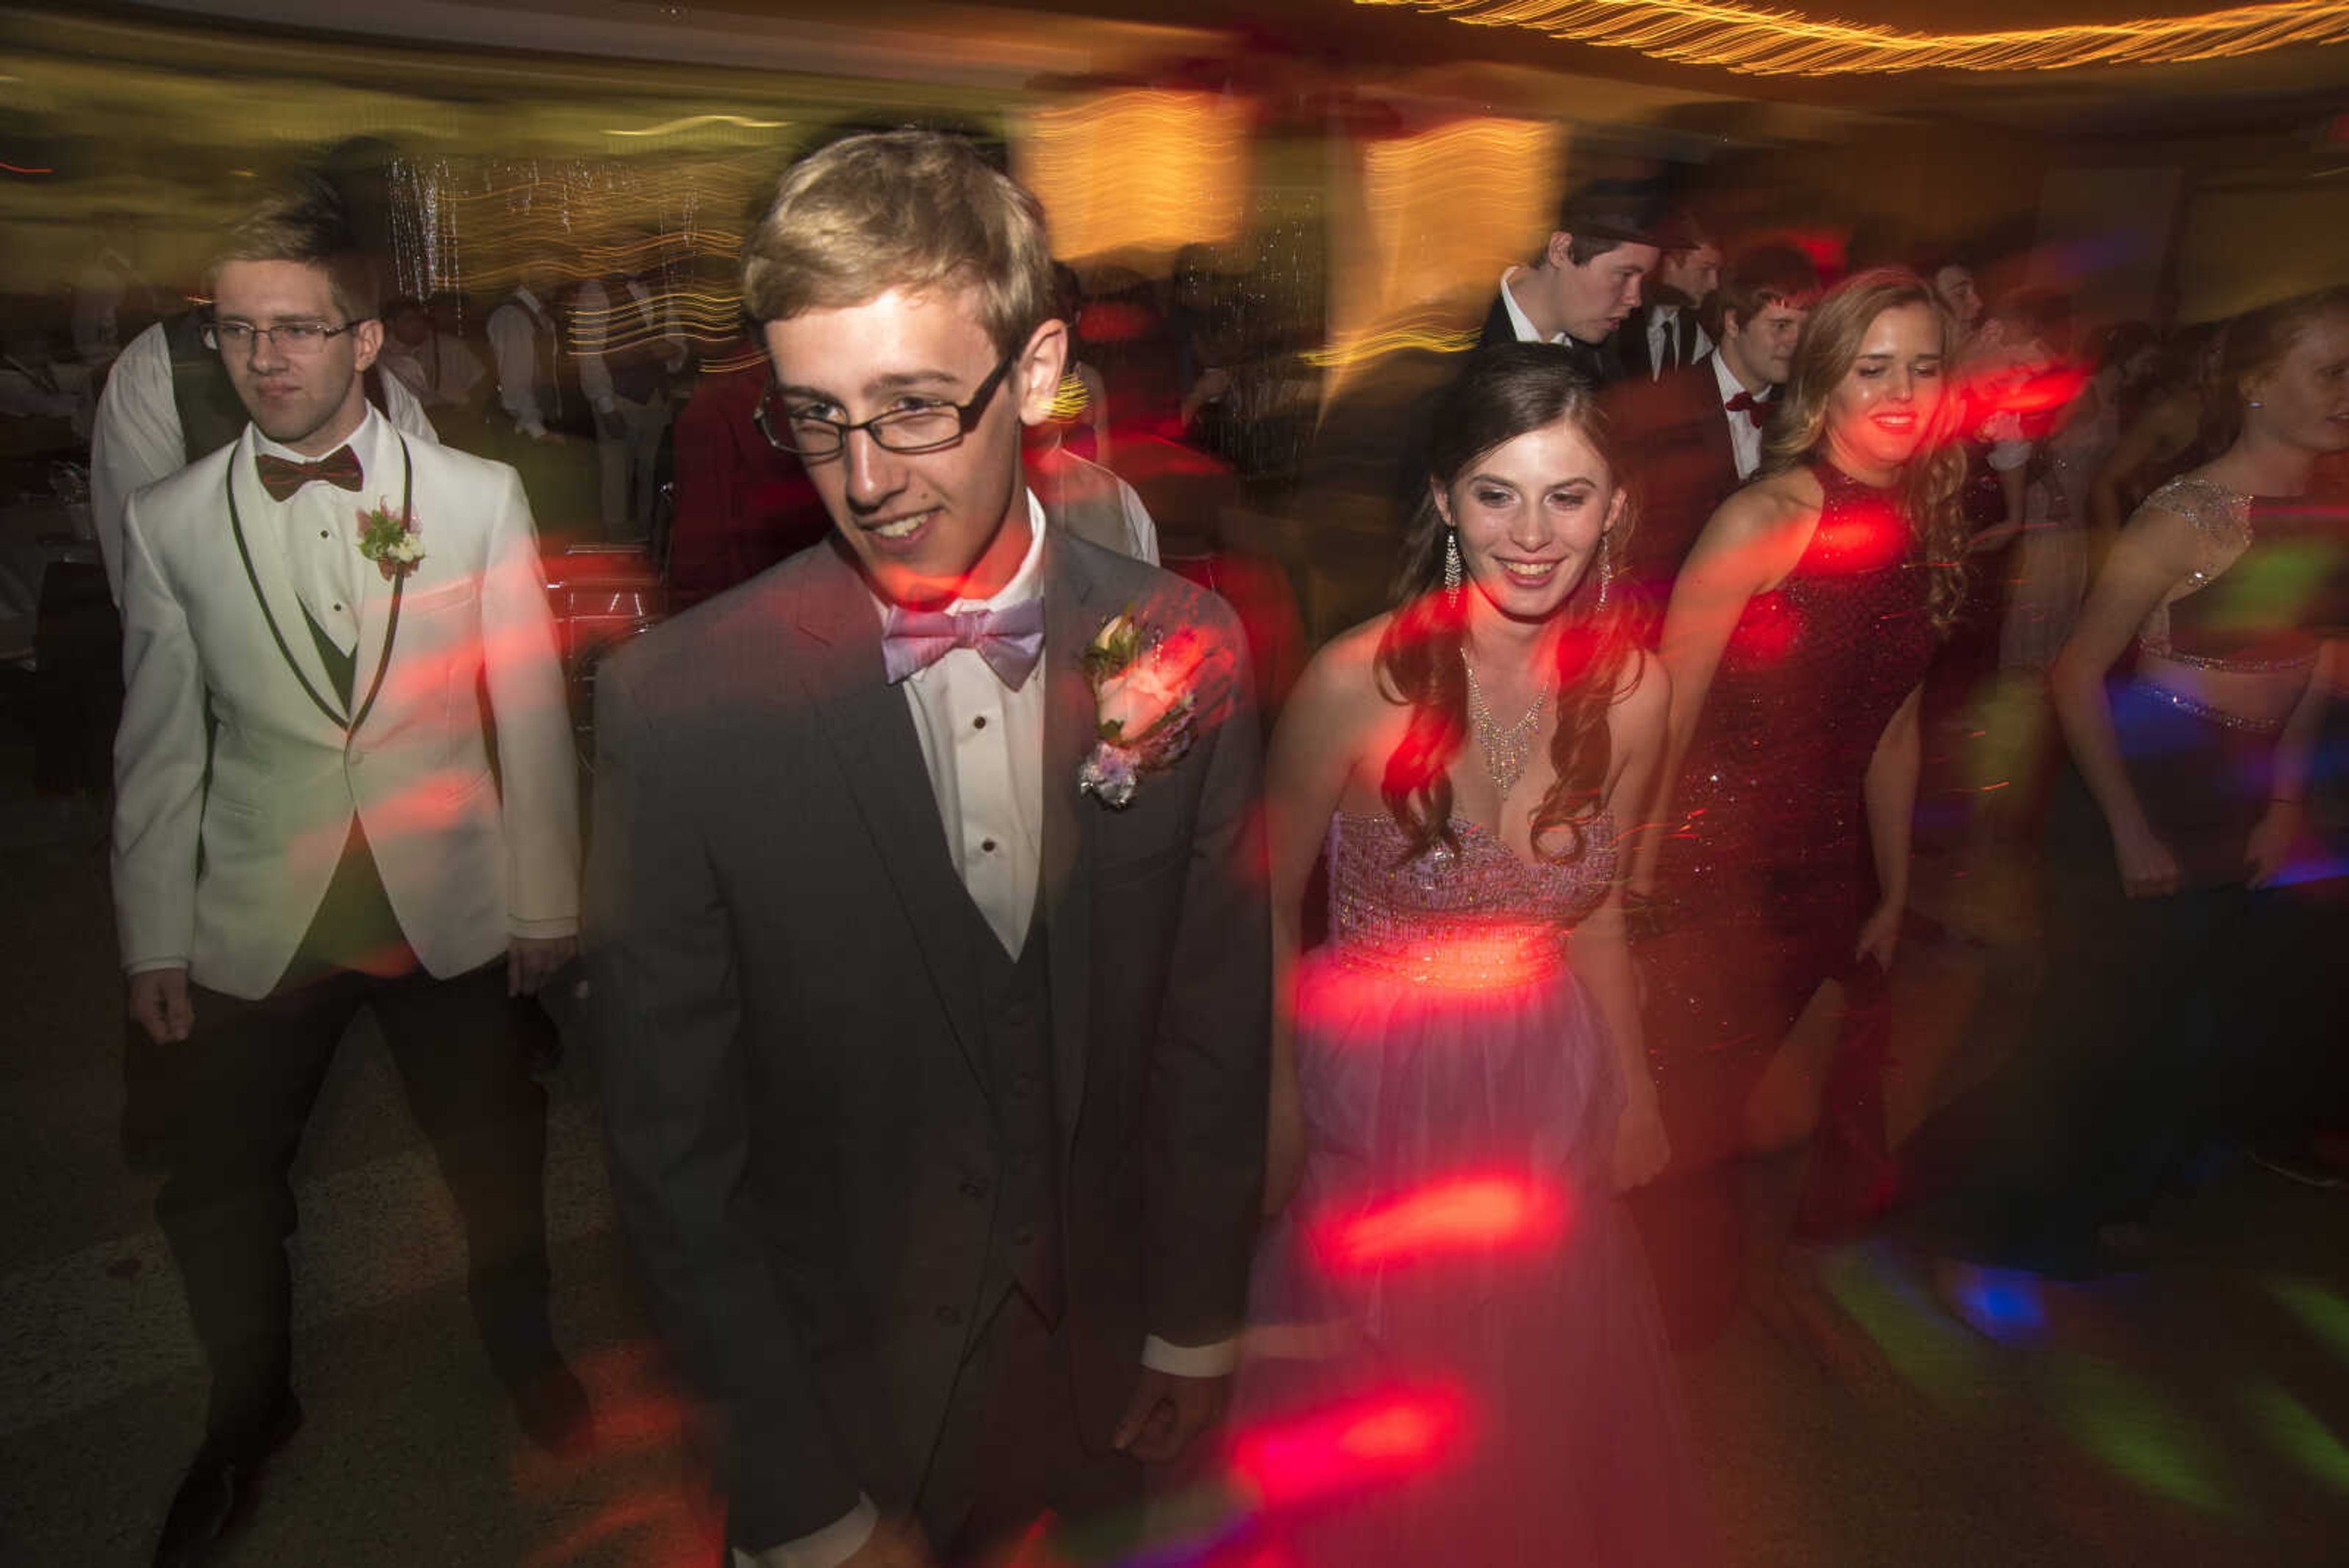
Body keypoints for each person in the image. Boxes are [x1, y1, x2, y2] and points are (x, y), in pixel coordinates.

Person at [585, 130, 1269, 1568]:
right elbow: (672, 1155)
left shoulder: (1185, 646)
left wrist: (1195, 1319)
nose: (865, 477)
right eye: (815, 419)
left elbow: (1208, 1027)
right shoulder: (681, 706)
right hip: (845, 1409)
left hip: (1101, 1366)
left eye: (908, 408)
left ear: (1033, 373)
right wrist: (800, 1503)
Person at [110, 187, 587, 1567]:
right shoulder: (172, 521)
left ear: (365, 339)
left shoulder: (475, 498)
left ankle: (528, 1354)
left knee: (496, 1149)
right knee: (220, 1185)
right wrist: (152, 941)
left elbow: (531, 711)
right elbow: (159, 753)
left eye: (299, 331)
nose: (266, 360)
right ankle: (249, 1413)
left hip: (445, 889)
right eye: (239, 332)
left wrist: (545, 900)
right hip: (260, 906)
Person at [1244, 342, 1709, 1565]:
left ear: (1615, 509)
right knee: (1383, 1385)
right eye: (1498, 492)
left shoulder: (1641, 691)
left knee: (1527, 1382)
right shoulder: (1356, 680)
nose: (1533, 532)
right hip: (1380, 1082)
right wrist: (1279, 1101)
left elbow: (1597, 913)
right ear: (1446, 498)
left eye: (1568, 495)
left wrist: (1639, 1086)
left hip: (1545, 1074)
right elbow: (1258, 903)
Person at [1913, 287, 2349, 1282]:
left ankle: (2112, 1191)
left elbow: (2314, 667)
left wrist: (2284, 802)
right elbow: (2073, 673)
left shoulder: (2328, 505)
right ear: (2257, 383)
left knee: (2187, 1022)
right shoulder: (2187, 512)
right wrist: (2130, 829)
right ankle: (2019, 1218)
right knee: (2096, 1027)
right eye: (2330, 369)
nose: (2348, 391)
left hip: (2240, 793)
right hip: (2141, 789)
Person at [1629, 269, 1967, 1364]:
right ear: (1822, 380)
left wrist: (1894, 888)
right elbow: (1663, 718)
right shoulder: (1766, 516)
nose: (1903, 390)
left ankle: (1726, 1291)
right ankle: (1629, 1323)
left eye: (1923, 365)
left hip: (1829, 875)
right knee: (1684, 1116)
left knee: (1774, 1117)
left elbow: (1897, 730)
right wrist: (1633, 887)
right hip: (1711, 867)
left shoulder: (1926, 521)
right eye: (1874, 367)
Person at [1610, 242, 1820, 625]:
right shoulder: (1660, 413)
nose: (1795, 343)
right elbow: (1642, 561)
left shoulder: (1805, 417)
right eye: (1780, 326)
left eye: (1805, 329)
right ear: (1733, 322)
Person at [1476, 181, 1664, 390]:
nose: (1635, 299)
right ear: (1561, 250)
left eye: (1643, 281)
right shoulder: (1454, 348)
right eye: (1624, 274)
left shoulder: (1608, 363)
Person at [573, 258, 688, 541]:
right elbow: (588, 354)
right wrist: (605, 405)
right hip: (618, 395)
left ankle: (651, 541)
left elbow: (678, 341)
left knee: (654, 476)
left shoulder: (660, 290)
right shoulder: (595, 291)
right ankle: (616, 546)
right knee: (616, 479)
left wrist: (673, 355)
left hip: (657, 397)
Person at [1619, 210, 1721, 382]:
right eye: (1705, 270)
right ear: (1669, 262)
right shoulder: (1616, 325)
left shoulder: (1696, 338)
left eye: (1717, 272)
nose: (1714, 284)